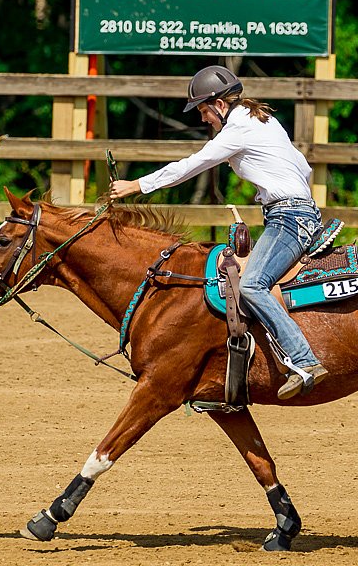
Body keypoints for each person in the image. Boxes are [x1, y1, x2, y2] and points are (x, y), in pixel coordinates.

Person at [109, 65, 328, 399]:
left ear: (219, 105)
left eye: (202, 111)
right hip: (295, 212)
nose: (202, 119)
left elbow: (191, 166)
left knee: (252, 284)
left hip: (289, 217)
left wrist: (137, 185)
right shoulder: (263, 120)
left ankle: (304, 359)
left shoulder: (238, 129)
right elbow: (303, 166)